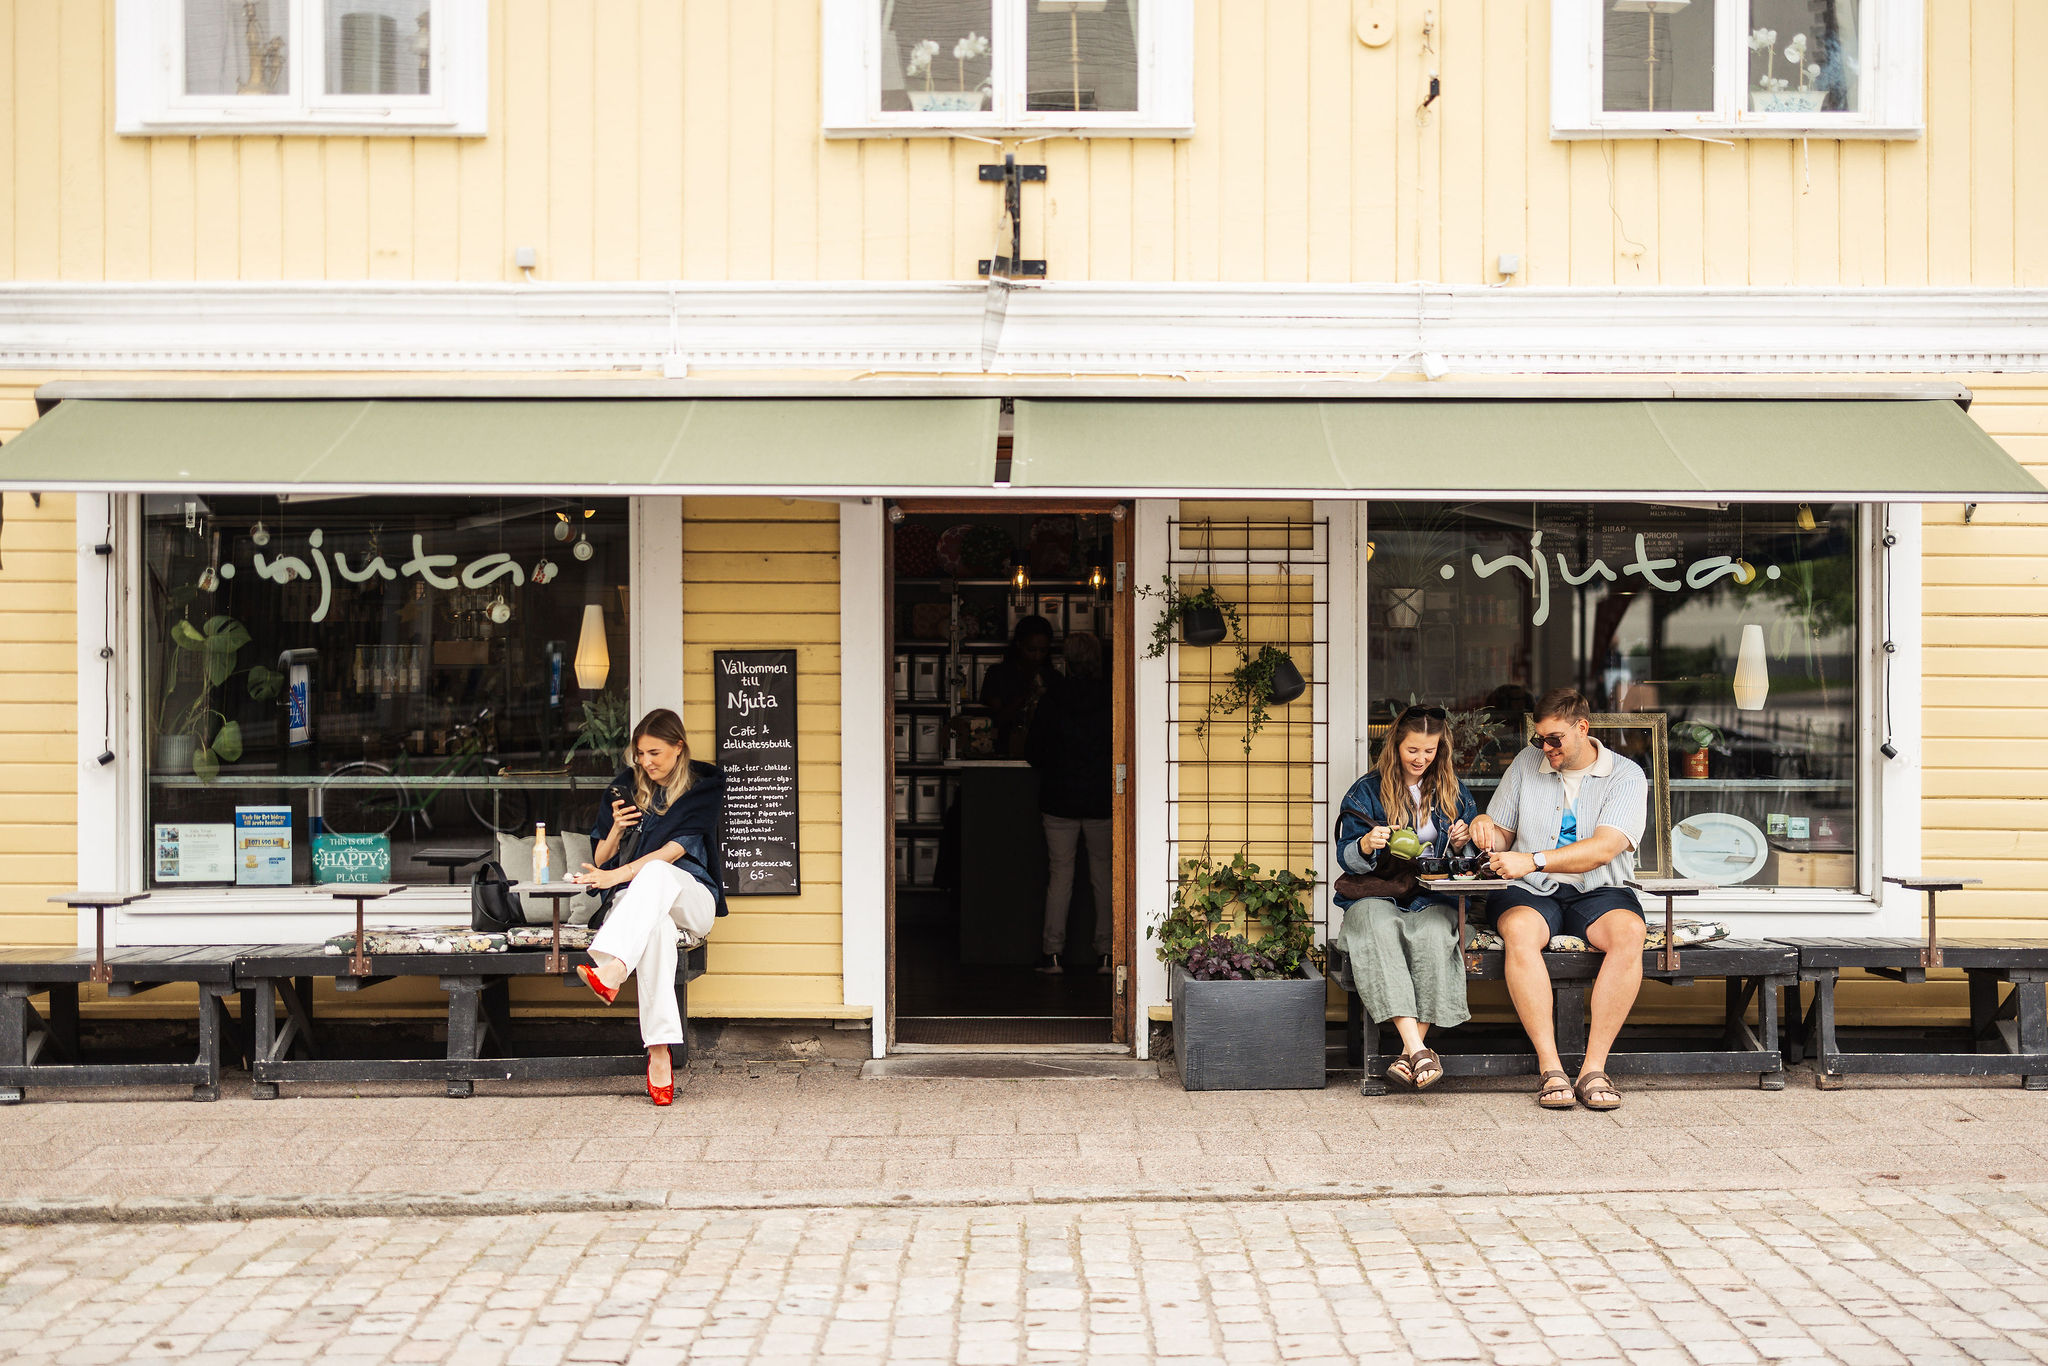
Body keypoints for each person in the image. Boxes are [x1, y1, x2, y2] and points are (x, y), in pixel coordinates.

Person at [1470, 687, 1649, 1112]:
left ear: (1582, 728)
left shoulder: (1626, 775)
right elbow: (1503, 834)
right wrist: (1482, 825)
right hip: (1531, 890)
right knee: (1518, 928)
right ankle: (1550, 1068)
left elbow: (1605, 848)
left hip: (1599, 886)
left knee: (1630, 931)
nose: (1545, 748)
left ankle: (1593, 1069)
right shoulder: (1525, 765)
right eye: (1539, 739)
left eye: (1555, 739)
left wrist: (1532, 859)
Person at [570, 708, 727, 1107]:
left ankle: (615, 966)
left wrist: (615, 876)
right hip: (640, 906)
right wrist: (617, 830)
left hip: (691, 898)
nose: (646, 762)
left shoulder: (703, 788)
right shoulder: (625, 787)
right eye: (640, 754)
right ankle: (659, 1054)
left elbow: (672, 853)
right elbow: (600, 858)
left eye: (655, 752)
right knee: (654, 930)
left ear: (679, 747)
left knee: (656, 871)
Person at [1332, 706, 1479, 1090]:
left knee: (1433, 937)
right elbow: (1344, 855)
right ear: (1396, 745)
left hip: (1431, 896)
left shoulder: (1454, 792)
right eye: (1413, 750)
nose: (1421, 759)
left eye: (1430, 751)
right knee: (1377, 929)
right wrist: (1365, 844)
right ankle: (1418, 1049)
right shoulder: (1366, 790)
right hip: (1376, 892)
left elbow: (1468, 864)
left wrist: (1464, 845)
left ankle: (1407, 1054)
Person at [1027, 631, 1113, 976]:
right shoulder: (1111, 696)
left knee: (1060, 876)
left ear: (1066, 660)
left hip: (1059, 799)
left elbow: (1033, 753)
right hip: (1100, 800)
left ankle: (1052, 955)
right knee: (1104, 878)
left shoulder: (1053, 699)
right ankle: (1107, 955)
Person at [980, 614, 1057, 756]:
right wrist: (1029, 692)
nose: (1037, 657)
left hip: (1045, 756)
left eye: (1043, 651)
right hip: (1005, 751)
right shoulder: (998, 674)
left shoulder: (1053, 677)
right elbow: (996, 719)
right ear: (1019, 644)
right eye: (1031, 650)